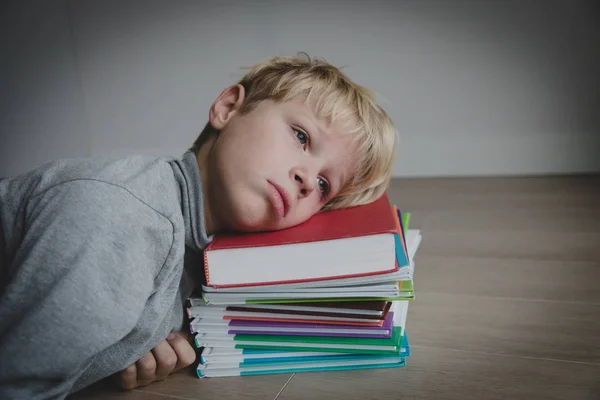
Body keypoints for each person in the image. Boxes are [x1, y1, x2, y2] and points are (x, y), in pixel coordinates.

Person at [0, 54, 398, 398]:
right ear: (227, 108)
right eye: (300, 136)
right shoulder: (120, 214)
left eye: (325, 185)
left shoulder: (198, 253)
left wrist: (121, 352)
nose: (308, 179)